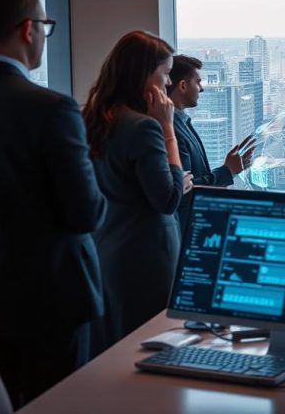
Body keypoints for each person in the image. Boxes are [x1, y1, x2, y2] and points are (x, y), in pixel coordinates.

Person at [0, 0, 107, 408]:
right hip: (49, 303)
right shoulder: (50, 109)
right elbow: (85, 213)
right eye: (46, 26)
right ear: (28, 30)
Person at [84, 31, 192, 345]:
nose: (169, 84)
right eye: (165, 74)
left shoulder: (94, 117)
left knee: (116, 347)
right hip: (146, 258)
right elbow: (168, 198)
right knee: (152, 346)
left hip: (108, 251)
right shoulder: (144, 126)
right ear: (144, 75)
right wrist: (168, 128)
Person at [167, 55, 256, 199]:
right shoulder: (172, 130)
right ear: (183, 85)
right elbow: (185, 191)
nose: (201, 89)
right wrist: (227, 171)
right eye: (198, 82)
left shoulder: (180, 122)